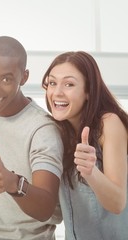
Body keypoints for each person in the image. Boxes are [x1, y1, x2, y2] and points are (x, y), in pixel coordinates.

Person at [0, 36, 64, 239]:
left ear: (23, 77)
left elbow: (46, 208)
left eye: (6, 79)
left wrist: (14, 183)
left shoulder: (43, 129)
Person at [41, 51, 128, 239]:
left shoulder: (109, 123)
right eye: (52, 83)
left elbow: (118, 203)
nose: (57, 92)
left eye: (69, 84)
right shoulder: (57, 132)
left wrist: (91, 172)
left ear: (88, 91)